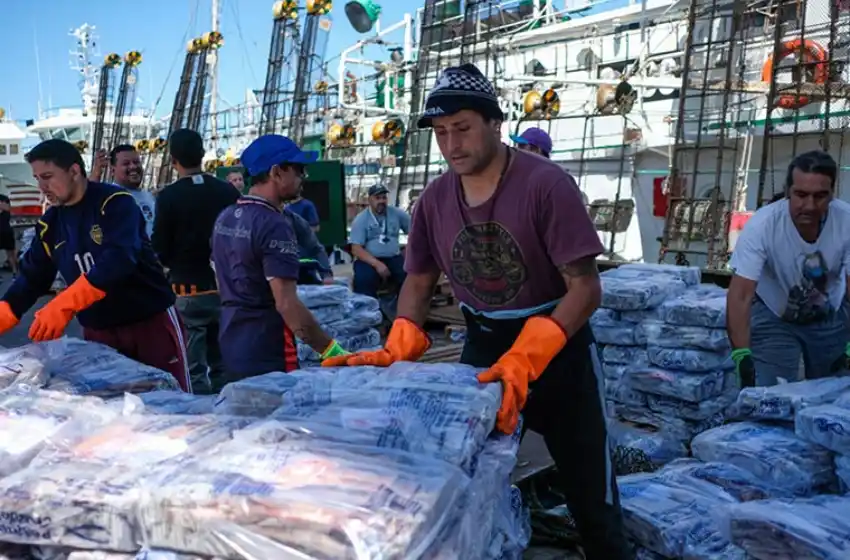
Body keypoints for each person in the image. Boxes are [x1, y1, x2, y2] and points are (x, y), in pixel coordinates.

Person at [323, 63, 630, 559]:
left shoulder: (546, 185)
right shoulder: (433, 202)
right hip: (485, 347)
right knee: (467, 482)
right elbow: (419, 280)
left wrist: (531, 354)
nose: (451, 144)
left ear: (494, 122)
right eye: (441, 134)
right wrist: (402, 336)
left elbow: (585, 288)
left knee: (590, 486)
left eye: (462, 128)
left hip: (559, 346)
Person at [0, 139, 191, 391]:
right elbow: (32, 278)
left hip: (148, 321)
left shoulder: (114, 202)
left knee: (174, 395)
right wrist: (7, 310)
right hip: (100, 331)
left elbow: (120, 258)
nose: (42, 186)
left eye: (47, 176)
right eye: (37, 178)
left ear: (74, 171)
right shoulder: (50, 224)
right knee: (117, 409)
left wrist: (66, 303)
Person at [211, 134, 347, 379]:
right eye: (299, 170)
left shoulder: (226, 216)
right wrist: (330, 350)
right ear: (276, 172)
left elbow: (223, 282)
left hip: (232, 337)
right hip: (267, 344)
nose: (303, 177)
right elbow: (286, 304)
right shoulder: (274, 224)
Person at [727, 150, 850, 387]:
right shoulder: (763, 225)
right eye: (801, 195)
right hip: (775, 314)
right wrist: (741, 354)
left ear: (833, 194)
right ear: (788, 192)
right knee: (772, 394)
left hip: (829, 315)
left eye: (820, 196)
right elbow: (741, 295)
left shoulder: (846, 222)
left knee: (835, 394)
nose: (810, 206)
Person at [152, 129, 240, 394]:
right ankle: (229, 406)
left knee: (193, 367)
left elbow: (160, 247)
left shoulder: (168, 197)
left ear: (173, 159)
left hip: (187, 289)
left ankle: (203, 418)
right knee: (224, 361)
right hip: (225, 288)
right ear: (203, 154)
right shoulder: (226, 192)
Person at [348, 184, 410, 299]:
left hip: (394, 257)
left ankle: (405, 310)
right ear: (369, 200)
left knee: (410, 275)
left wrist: (408, 251)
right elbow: (356, 248)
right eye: (378, 198)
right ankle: (367, 311)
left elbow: (416, 232)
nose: (381, 201)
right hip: (369, 260)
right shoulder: (361, 219)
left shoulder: (397, 214)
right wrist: (377, 264)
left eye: (384, 198)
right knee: (364, 279)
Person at [109, 145, 156, 237]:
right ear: (112, 170)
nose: (133, 166)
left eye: (136, 162)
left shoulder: (149, 196)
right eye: (126, 163)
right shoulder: (110, 198)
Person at [283, 207, 335, 285]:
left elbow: (316, 249)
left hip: (301, 276)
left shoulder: (292, 218)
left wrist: (326, 275)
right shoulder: (260, 218)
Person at [0, 195, 17, 276]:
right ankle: (14, 272)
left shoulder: (6, 208)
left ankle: (14, 271)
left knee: (11, 253)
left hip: (5, 232)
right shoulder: (6, 206)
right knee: (11, 253)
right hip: (7, 231)